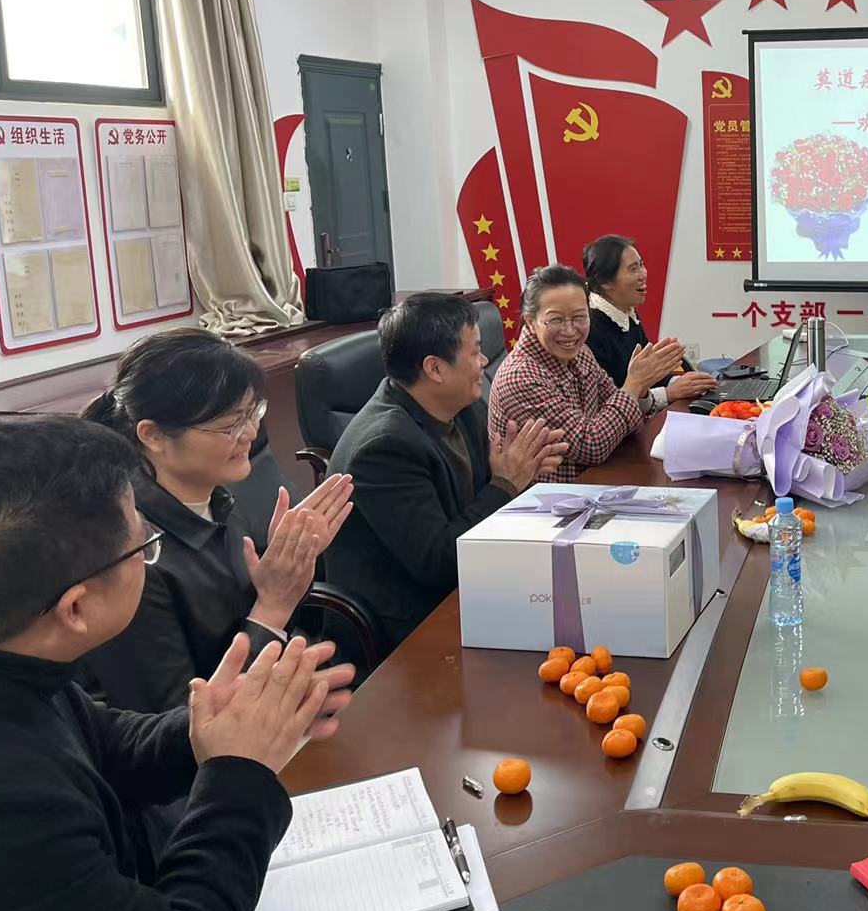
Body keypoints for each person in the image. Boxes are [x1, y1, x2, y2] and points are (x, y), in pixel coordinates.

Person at [0, 415, 355, 911]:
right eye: (144, 544)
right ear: (76, 608)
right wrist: (239, 775)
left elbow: (104, 745)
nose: (150, 553)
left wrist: (218, 725)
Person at [75, 328, 355, 713]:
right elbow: (175, 720)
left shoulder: (219, 500)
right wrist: (273, 603)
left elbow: (254, 620)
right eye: (230, 425)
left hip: (271, 707)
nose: (251, 433)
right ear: (153, 435)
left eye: (253, 413)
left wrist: (292, 566)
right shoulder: (131, 558)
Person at [327, 292, 566, 648]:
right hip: (410, 623)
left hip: (468, 585)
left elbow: (484, 495)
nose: (484, 362)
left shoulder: (462, 406)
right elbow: (439, 561)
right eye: (475, 352)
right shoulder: (383, 448)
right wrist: (506, 484)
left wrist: (520, 472)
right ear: (435, 369)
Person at [490, 265, 686, 481]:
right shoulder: (521, 377)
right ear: (530, 321)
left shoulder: (581, 352)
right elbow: (591, 445)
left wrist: (641, 388)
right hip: (555, 496)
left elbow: (623, 416)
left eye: (579, 317)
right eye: (556, 319)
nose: (570, 331)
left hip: (595, 479)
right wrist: (634, 384)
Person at [582, 233, 717, 404]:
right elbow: (611, 402)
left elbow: (649, 378)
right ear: (605, 281)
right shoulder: (590, 330)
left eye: (641, 265)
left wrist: (682, 382)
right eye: (633, 269)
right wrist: (669, 393)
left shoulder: (626, 313)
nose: (643, 275)